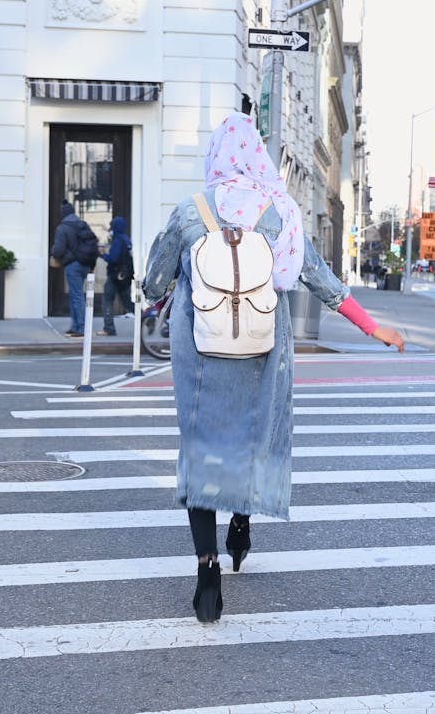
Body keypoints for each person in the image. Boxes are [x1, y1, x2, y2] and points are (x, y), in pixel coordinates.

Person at [144, 112, 404, 624]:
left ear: (216, 157)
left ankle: (207, 572)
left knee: (202, 452)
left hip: (201, 357)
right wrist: (373, 328)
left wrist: (168, 290)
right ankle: (241, 523)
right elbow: (320, 279)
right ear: (256, 156)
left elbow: (154, 284)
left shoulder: (188, 213)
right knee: (254, 440)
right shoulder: (279, 212)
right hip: (265, 353)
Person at [50, 199, 97, 337]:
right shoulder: (83, 225)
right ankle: (76, 326)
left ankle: (81, 327)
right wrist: (92, 266)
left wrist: (54, 252)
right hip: (85, 265)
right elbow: (92, 245)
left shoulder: (62, 227)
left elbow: (58, 250)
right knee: (75, 295)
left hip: (73, 265)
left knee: (76, 296)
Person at [97, 216, 134, 336]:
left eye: (112, 226)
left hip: (115, 276)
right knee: (128, 302)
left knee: (107, 300)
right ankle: (146, 321)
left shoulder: (117, 240)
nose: (110, 229)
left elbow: (113, 258)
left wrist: (103, 255)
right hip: (125, 276)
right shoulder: (126, 239)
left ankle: (109, 328)